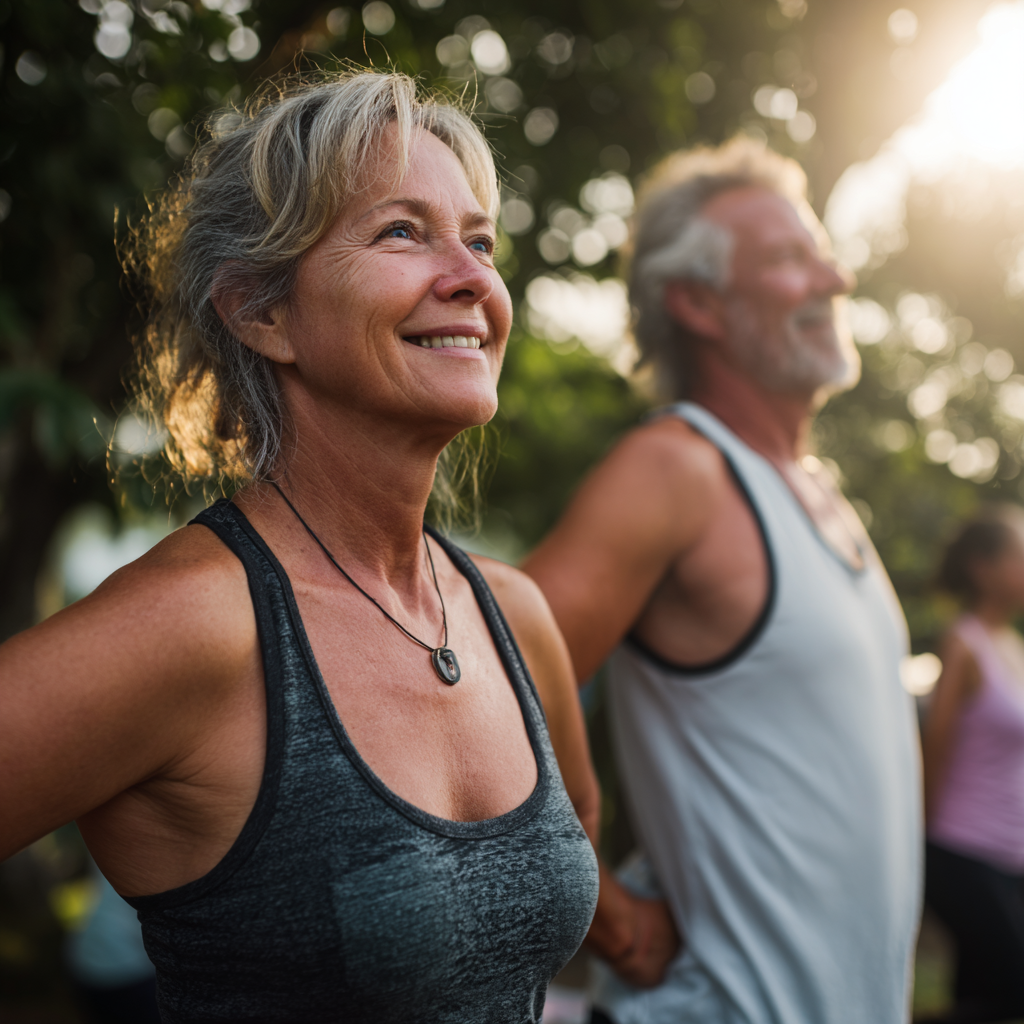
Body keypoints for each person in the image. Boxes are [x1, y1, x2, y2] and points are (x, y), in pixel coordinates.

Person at [0, 71, 601, 1022]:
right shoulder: (197, 625)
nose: (473, 278)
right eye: (401, 232)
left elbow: (572, 854)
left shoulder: (513, 616)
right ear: (262, 313)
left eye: (481, 241)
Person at [523, 138, 922, 1024]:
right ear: (697, 303)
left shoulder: (816, 490)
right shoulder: (676, 470)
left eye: (822, 252)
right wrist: (609, 916)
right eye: (789, 258)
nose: (836, 278)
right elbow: (480, 690)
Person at [922, 507, 1024, 1024]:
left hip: (1010, 853)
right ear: (983, 568)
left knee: (978, 993)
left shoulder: (1014, 645)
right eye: (1020, 556)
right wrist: (919, 845)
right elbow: (934, 751)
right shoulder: (963, 644)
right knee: (1013, 992)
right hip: (960, 845)